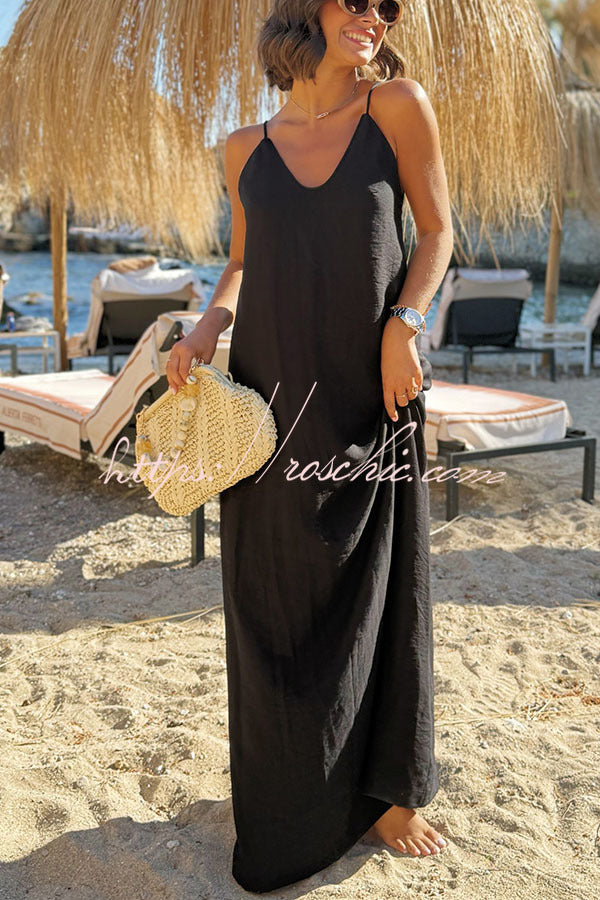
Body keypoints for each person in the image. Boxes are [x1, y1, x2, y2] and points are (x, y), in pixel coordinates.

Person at [165, 0, 454, 891]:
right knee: (273, 602)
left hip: (371, 396)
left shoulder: (395, 106)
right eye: (355, 0)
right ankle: (292, 801)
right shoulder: (242, 147)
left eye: (385, 8)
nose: (374, 16)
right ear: (303, 10)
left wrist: (406, 323)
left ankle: (390, 794)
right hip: (268, 410)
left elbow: (437, 231)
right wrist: (206, 325)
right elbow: (241, 261)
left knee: (383, 589)